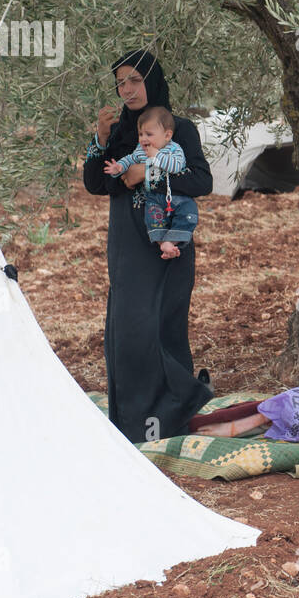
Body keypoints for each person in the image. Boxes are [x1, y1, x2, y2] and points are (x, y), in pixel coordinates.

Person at [83, 49, 213, 444]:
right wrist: (100, 141)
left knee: (165, 329)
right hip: (128, 244)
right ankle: (133, 425)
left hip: (169, 243)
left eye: (135, 80)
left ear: (152, 81)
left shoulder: (179, 129)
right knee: (129, 331)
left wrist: (149, 170)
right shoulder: (120, 132)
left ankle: (172, 418)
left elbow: (202, 182)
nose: (127, 89)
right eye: (120, 82)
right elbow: (95, 183)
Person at [103, 105, 200, 260]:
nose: (143, 139)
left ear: (167, 135)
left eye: (149, 134)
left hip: (177, 197)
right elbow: (131, 159)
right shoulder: (141, 150)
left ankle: (173, 239)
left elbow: (176, 167)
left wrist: (156, 157)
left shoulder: (174, 149)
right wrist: (119, 167)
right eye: (140, 134)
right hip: (155, 197)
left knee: (188, 213)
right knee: (153, 218)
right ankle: (163, 242)